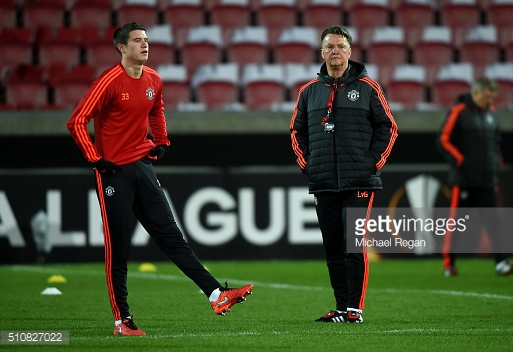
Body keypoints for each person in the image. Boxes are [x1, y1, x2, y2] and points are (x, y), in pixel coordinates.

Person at [66, 22, 253, 336]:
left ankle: (217, 295)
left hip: (142, 166)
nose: (144, 44)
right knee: (119, 248)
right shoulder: (109, 81)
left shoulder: (153, 78)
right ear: (121, 48)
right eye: (137, 40)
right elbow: (76, 121)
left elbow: (157, 108)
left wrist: (162, 140)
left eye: (146, 40)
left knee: (172, 238)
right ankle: (121, 321)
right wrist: (95, 159)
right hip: (113, 172)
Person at [289, 25, 398, 323]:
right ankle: (340, 308)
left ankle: (355, 309)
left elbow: (389, 127)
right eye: (329, 46)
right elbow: (296, 131)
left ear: (350, 51)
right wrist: (309, 165)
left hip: (359, 182)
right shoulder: (308, 92)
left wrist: (372, 163)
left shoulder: (368, 88)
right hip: (323, 182)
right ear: (322, 52)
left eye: (340, 46)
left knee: (353, 245)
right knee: (333, 247)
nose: (334, 51)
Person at [436, 76, 513, 277]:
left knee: (494, 224)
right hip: (464, 180)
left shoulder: (491, 113)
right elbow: (443, 139)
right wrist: (460, 161)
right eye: (486, 97)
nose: (489, 101)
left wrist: (495, 162)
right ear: (475, 93)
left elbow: (495, 140)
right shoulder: (459, 111)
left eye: (492, 97)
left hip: (487, 180)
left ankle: (501, 263)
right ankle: (450, 263)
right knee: (457, 224)